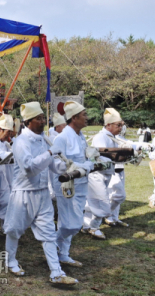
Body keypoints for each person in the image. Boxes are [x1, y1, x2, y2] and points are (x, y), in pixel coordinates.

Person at [4, 102, 76, 285]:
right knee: (13, 230)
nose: (43, 121)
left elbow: (52, 166)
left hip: (42, 193)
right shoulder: (21, 142)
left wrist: (68, 165)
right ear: (28, 121)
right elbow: (30, 168)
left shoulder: (44, 140)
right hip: (23, 193)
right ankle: (10, 260)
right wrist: (51, 152)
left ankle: (56, 272)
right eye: (39, 118)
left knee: (49, 233)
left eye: (44, 117)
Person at [51, 101, 93, 267]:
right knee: (72, 224)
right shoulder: (62, 138)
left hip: (82, 183)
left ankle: (63, 254)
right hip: (66, 185)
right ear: (74, 118)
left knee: (71, 222)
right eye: (84, 115)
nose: (87, 118)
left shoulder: (80, 136)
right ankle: (51, 243)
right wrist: (76, 167)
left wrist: (90, 163)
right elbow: (55, 161)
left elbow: (86, 157)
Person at [83, 108, 123, 239]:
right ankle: (94, 227)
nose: (121, 128)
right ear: (109, 125)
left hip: (106, 172)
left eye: (121, 125)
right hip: (97, 173)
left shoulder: (113, 137)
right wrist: (118, 156)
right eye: (118, 125)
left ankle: (85, 225)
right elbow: (102, 155)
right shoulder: (101, 137)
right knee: (102, 203)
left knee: (93, 202)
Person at [47, 113, 67, 200]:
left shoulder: (62, 137)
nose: (65, 128)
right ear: (57, 126)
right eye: (63, 126)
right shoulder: (53, 138)